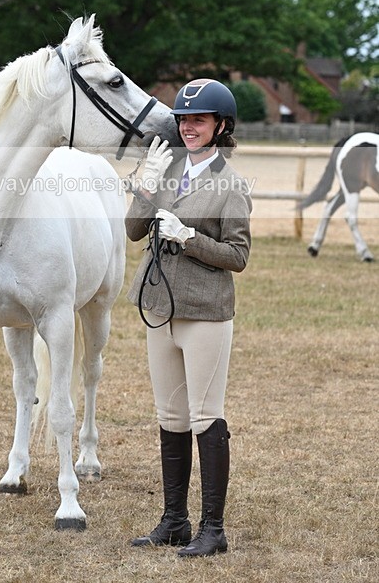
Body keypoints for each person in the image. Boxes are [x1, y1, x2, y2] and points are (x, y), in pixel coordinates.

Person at [125, 78, 252, 558]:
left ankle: (213, 529)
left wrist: (188, 238)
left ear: (221, 125)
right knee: (170, 417)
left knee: (205, 416)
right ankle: (174, 521)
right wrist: (145, 188)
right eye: (183, 119)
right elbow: (134, 231)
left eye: (198, 120)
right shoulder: (170, 167)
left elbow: (237, 256)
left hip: (205, 313)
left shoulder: (232, 186)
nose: (188, 127)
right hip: (160, 307)